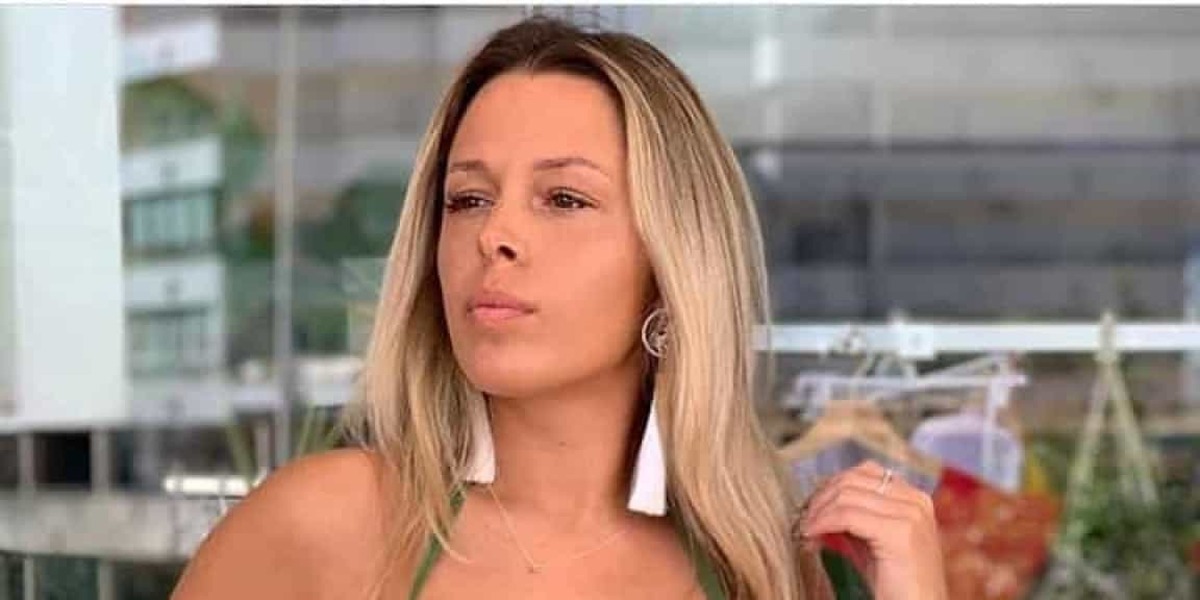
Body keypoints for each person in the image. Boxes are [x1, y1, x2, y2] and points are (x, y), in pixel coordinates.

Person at [172, 16, 946, 600]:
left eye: (565, 199)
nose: (495, 235)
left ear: (668, 264)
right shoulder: (324, 526)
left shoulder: (776, 571)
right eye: (468, 199)